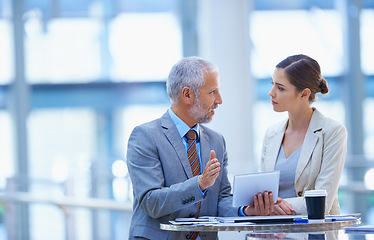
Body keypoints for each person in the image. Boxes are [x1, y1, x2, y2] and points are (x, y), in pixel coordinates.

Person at [127, 56, 273, 240]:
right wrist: (200, 183)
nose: (219, 100)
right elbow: (151, 202)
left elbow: (221, 200)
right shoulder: (145, 136)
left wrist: (245, 210)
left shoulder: (216, 141)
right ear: (187, 94)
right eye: (212, 92)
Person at [261, 54, 347, 215]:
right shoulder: (271, 133)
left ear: (304, 94)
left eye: (280, 88)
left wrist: (274, 206)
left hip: (314, 232)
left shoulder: (333, 132)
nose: (271, 93)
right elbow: (262, 193)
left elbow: (323, 201)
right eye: (272, 84)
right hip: (273, 232)